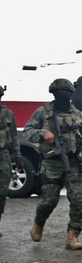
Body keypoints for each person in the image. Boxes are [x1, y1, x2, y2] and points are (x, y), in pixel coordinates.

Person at [23, 79, 82, 250]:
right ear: (54, 94)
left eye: (67, 92)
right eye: (60, 92)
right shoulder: (43, 112)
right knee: (49, 200)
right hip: (52, 163)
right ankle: (38, 223)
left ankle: (73, 236)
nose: (63, 95)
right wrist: (43, 134)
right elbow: (28, 132)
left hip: (75, 162)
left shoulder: (79, 116)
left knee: (78, 200)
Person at [0, 85, 22, 238]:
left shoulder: (8, 114)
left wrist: (18, 156)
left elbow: (14, 137)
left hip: (3, 156)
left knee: (1, 193)